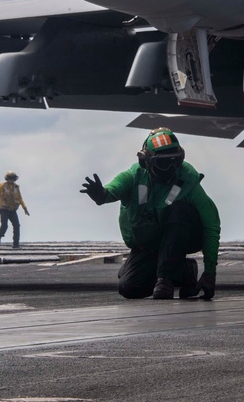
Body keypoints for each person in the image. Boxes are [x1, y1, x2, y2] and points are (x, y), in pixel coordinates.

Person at [81, 127, 220, 300]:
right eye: (163, 163)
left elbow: (211, 223)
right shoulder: (134, 177)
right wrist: (100, 195)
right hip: (148, 245)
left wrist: (210, 272)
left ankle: (166, 280)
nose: (170, 168)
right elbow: (111, 191)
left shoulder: (186, 180)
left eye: (174, 161)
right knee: (129, 288)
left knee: (180, 211)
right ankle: (185, 269)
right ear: (146, 161)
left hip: (178, 238)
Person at [0, 170, 29, 248]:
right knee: (4, 225)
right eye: (10, 179)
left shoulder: (16, 187)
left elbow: (20, 198)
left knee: (17, 226)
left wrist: (24, 208)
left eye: (13, 179)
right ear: (7, 179)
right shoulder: (2, 186)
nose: (11, 180)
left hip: (12, 209)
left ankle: (16, 244)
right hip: (4, 209)